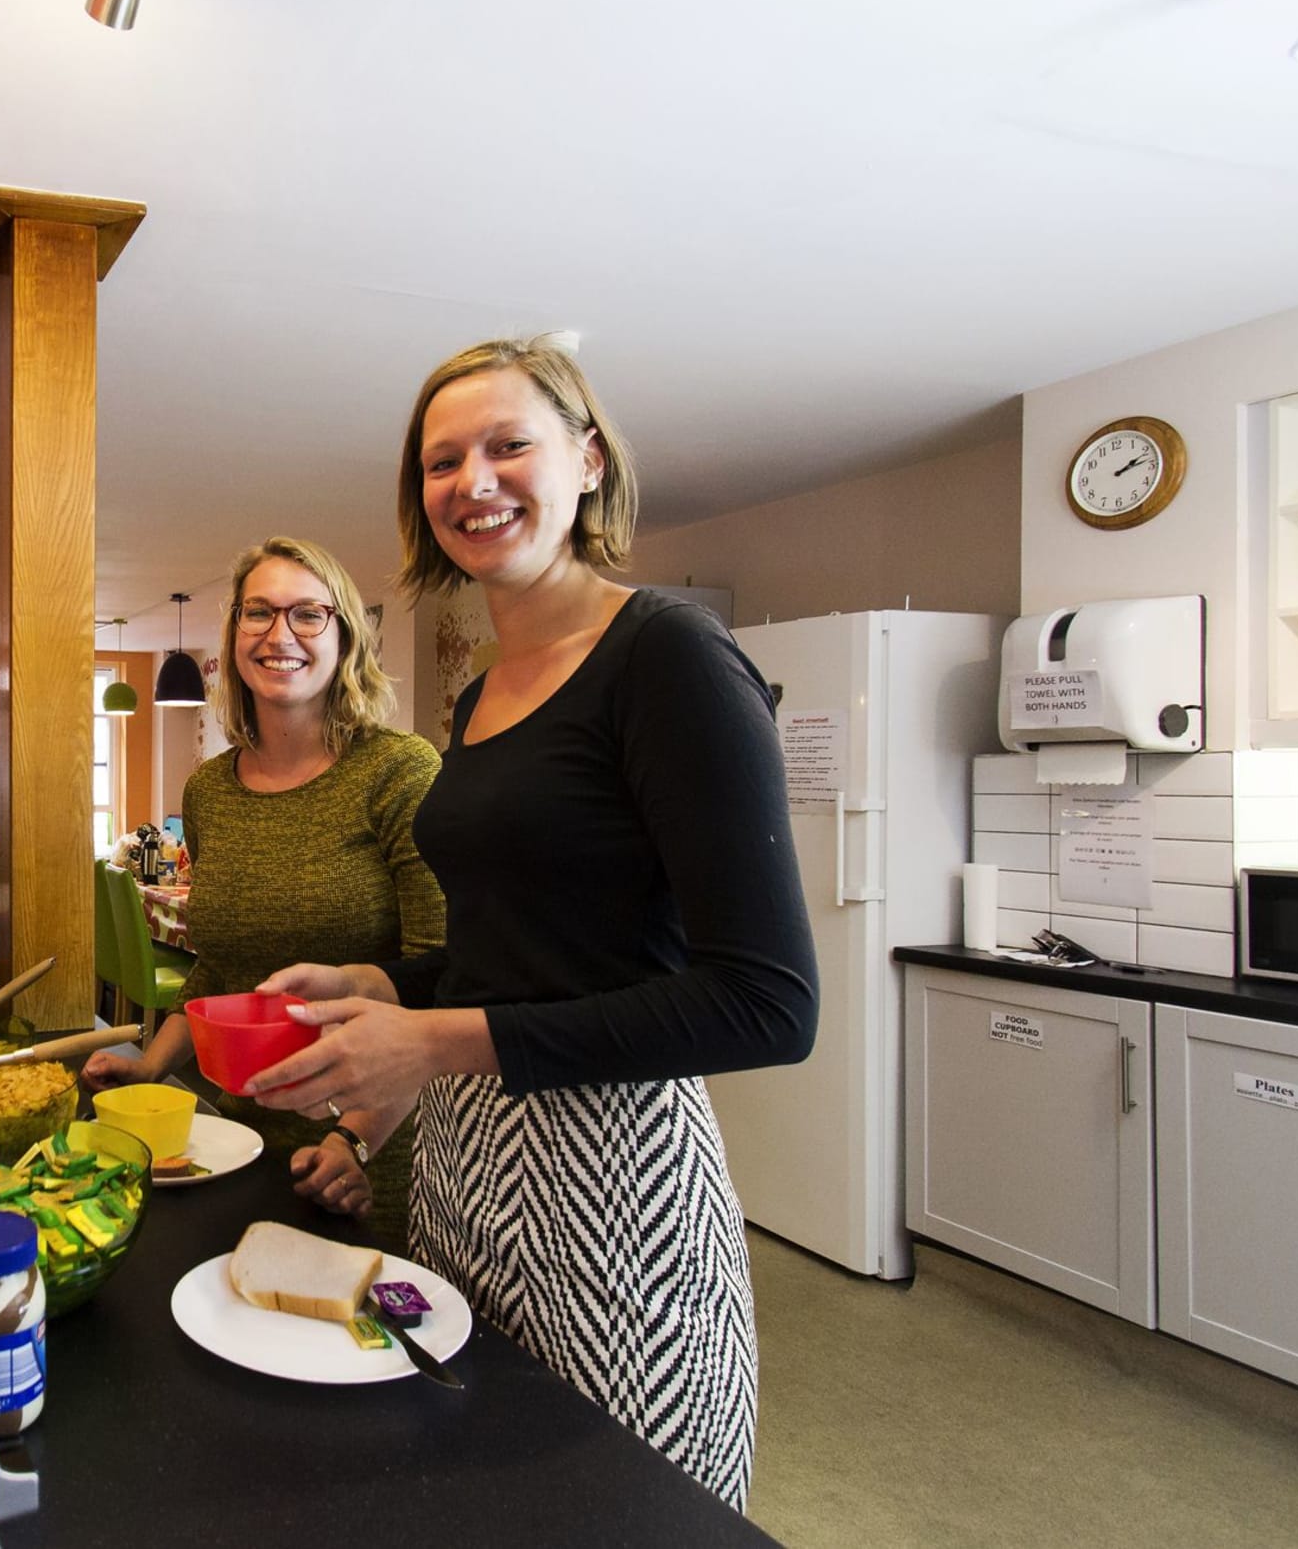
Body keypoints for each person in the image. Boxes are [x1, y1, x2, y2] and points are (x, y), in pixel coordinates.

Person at [246, 336, 816, 1510]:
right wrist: (384, 986)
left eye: (508, 445)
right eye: (440, 461)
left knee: (615, 1505)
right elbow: (521, 949)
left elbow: (767, 1003)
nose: (472, 482)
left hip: (614, 1171)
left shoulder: (666, 656)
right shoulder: (480, 696)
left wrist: (434, 1040)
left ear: (588, 462)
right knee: (470, 1487)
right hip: (464, 1161)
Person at [84, 535, 444, 1243]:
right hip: (237, 1135)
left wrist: (355, 1138)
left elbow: (441, 979)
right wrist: (152, 1068)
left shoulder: (399, 772)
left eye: (308, 614)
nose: (280, 635)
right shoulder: (210, 790)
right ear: (234, 635)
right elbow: (218, 966)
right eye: (259, 612)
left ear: (345, 638)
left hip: (370, 1141)